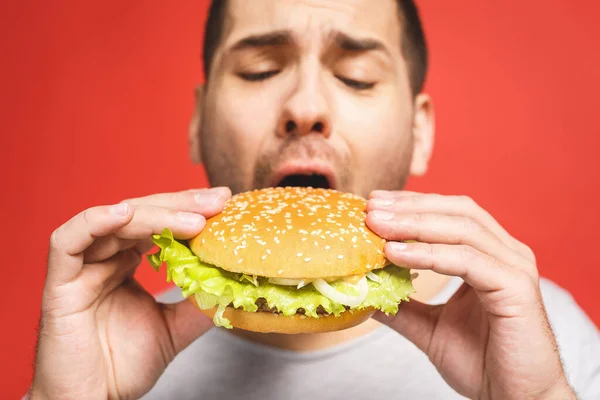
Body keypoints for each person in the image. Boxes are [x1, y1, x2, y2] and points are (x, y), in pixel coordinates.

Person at [29, 1, 600, 399]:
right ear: (199, 121)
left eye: (356, 77)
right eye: (260, 70)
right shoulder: (107, 345)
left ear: (419, 133)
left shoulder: (545, 339)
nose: (305, 105)